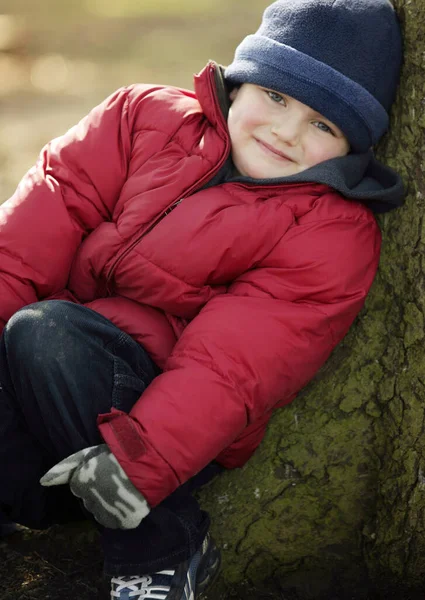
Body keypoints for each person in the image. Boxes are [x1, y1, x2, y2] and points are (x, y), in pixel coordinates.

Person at [0, 0, 404, 598]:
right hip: (49, 415)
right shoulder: (141, 119)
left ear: (351, 148)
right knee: (26, 336)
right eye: (277, 97)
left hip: (163, 437)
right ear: (239, 83)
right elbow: (37, 226)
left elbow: (233, 368)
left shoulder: (328, 232)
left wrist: (141, 464)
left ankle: (160, 555)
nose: (285, 132)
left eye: (323, 125)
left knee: (45, 333)